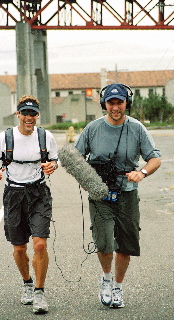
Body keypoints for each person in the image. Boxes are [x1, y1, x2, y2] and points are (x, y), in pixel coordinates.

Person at [75, 83, 161, 308]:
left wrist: (141, 172)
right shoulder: (92, 129)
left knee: (126, 244)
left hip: (127, 194)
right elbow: (74, 157)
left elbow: (155, 158)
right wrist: (87, 180)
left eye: (119, 102)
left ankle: (118, 287)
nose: (115, 107)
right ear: (104, 104)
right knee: (104, 241)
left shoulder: (137, 128)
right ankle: (106, 279)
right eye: (111, 103)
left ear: (127, 103)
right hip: (100, 193)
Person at [0, 95, 58, 314]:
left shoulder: (46, 136)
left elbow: (56, 158)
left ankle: (39, 292)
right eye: (25, 113)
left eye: (33, 114)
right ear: (18, 114)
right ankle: (27, 282)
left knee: (40, 244)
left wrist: (53, 165)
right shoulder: (5, 138)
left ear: (37, 115)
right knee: (18, 248)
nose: (29, 118)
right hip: (14, 194)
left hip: (39, 193)